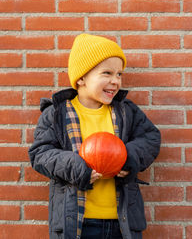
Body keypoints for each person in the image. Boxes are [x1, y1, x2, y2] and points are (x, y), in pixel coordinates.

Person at [28, 33, 161, 239]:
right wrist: (77, 168)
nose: (115, 81)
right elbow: (40, 154)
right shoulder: (56, 114)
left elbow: (150, 138)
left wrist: (128, 159)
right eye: (107, 73)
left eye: (119, 74)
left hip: (122, 221)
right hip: (77, 221)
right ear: (81, 78)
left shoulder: (126, 111)